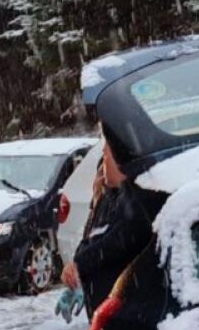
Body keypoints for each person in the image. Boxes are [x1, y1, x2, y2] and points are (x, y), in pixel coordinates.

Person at [61, 134, 164, 318]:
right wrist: (76, 271)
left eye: (106, 157)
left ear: (120, 160)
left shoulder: (139, 200)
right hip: (104, 313)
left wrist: (80, 264)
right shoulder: (110, 198)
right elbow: (91, 239)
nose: (102, 167)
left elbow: (117, 240)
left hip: (127, 315)